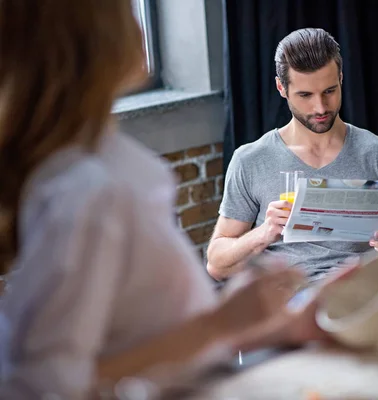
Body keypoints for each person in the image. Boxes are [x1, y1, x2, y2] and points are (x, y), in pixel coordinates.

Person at [0, 2, 337, 398]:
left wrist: (274, 326)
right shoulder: (88, 189)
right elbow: (46, 384)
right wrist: (223, 321)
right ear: (95, 38)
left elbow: (143, 336)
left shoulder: (98, 157)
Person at [207, 28, 378, 282]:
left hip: (358, 297)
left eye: (329, 91)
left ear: (341, 78)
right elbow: (217, 266)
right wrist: (265, 233)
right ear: (281, 87)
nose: (320, 108)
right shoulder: (250, 160)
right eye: (305, 95)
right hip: (287, 302)